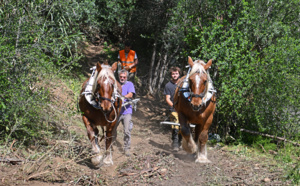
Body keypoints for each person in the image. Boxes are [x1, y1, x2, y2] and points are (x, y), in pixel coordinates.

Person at [113, 69, 136, 156]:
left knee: (126, 131)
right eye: (121, 77)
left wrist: (122, 97)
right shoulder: (115, 84)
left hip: (127, 110)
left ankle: (127, 149)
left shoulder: (129, 84)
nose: (122, 78)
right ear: (119, 77)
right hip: (117, 111)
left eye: (124, 77)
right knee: (113, 129)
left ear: (127, 77)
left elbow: (131, 94)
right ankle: (112, 145)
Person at [164, 66, 182, 151]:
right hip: (174, 109)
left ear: (179, 74)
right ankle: (175, 144)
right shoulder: (168, 85)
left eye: (176, 73)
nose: (175, 75)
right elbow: (167, 98)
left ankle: (180, 142)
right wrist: (175, 107)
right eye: (173, 74)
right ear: (171, 75)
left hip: (184, 110)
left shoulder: (183, 84)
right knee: (175, 126)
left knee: (183, 127)